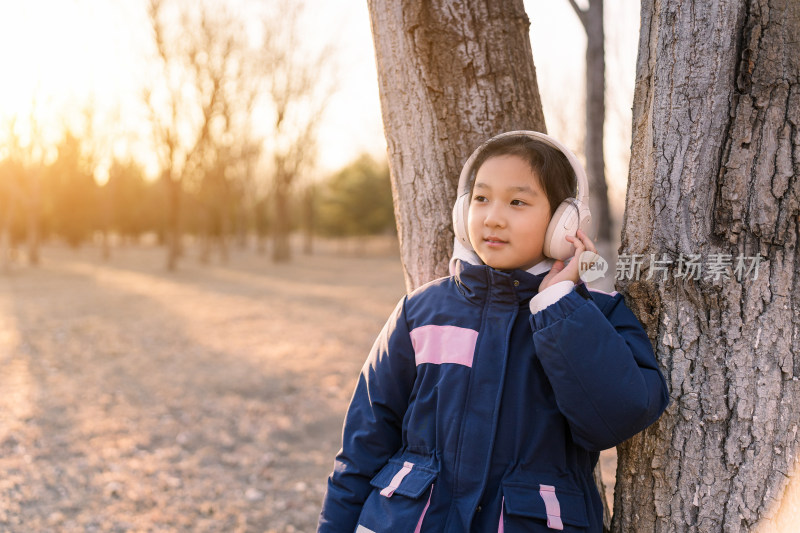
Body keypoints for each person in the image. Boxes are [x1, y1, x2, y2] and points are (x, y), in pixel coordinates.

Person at [317, 131, 670, 533]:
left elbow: (617, 417)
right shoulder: (421, 312)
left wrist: (557, 306)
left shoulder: (596, 316)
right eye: (481, 198)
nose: (493, 217)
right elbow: (362, 450)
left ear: (564, 222)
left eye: (517, 201)